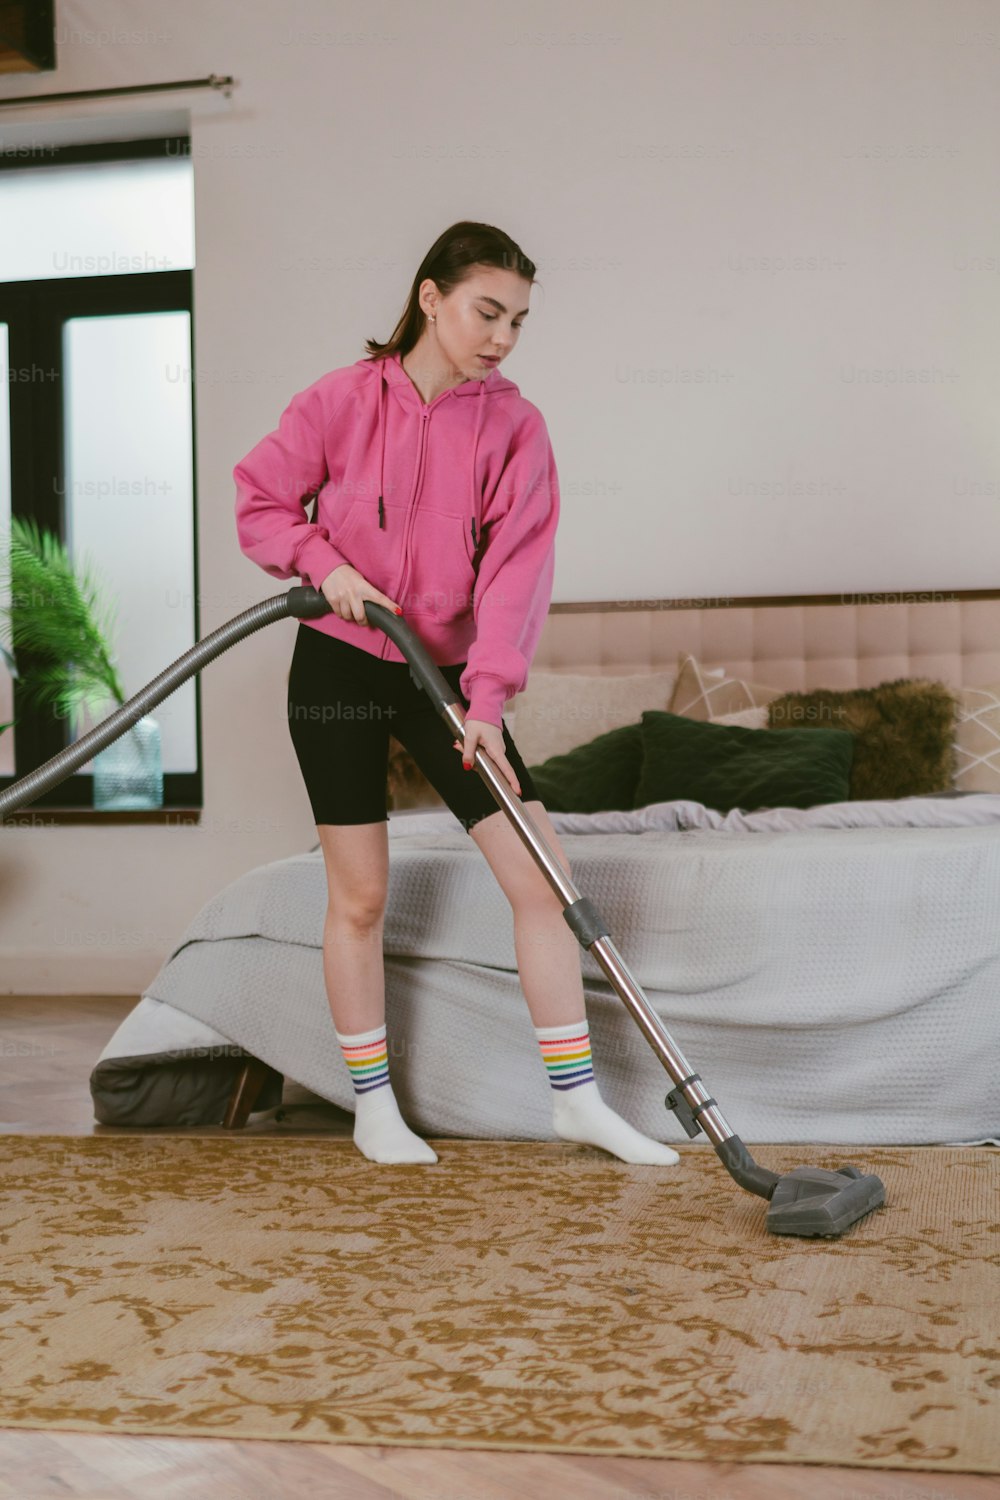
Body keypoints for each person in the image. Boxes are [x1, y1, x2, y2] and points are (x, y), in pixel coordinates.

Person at [234, 220, 679, 1170]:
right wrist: (324, 561)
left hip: (445, 681)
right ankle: (372, 1107)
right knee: (359, 895)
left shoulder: (516, 426)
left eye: (518, 320)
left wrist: (486, 701)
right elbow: (261, 502)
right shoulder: (340, 401)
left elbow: (515, 576)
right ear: (430, 298)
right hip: (340, 662)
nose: (502, 338)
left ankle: (576, 1100)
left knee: (542, 877)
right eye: (487, 312)